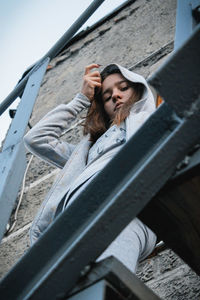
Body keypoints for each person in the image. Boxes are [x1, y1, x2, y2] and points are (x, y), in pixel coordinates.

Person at [24, 63, 157, 272]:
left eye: (123, 88)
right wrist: (81, 99)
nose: (115, 96)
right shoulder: (87, 151)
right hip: (75, 226)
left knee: (106, 281)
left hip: (128, 216)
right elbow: (36, 139)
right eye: (106, 96)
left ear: (139, 89)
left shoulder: (152, 121)